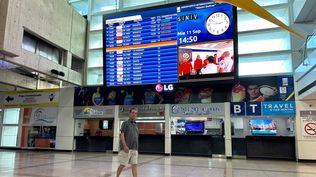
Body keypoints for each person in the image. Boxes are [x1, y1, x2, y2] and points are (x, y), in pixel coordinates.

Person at [116, 107, 139, 177]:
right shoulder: (125, 123)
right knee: (122, 164)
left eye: (135, 113)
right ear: (130, 113)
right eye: (133, 112)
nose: (134, 114)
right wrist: (125, 145)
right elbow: (122, 135)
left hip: (134, 148)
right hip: (126, 148)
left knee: (134, 165)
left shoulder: (135, 124)